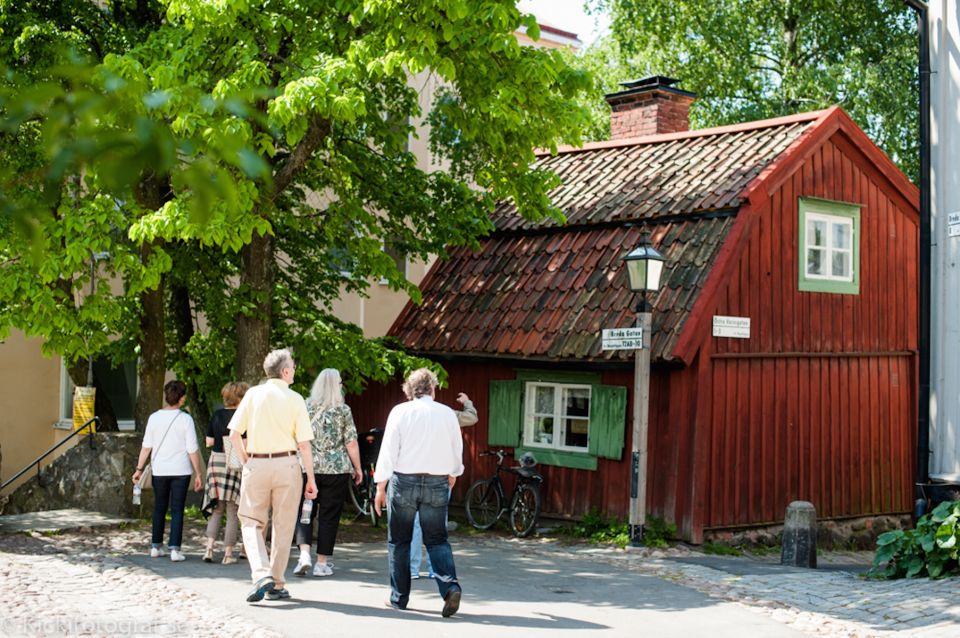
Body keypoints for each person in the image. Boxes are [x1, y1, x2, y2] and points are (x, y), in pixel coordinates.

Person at [228, 348, 318, 604]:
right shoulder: (296, 399)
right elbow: (304, 444)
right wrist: (310, 478)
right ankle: (276, 582)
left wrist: (246, 461)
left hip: (257, 463)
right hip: (288, 464)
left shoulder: (253, 395)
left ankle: (260, 573)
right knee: (284, 525)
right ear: (285, 371)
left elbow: (234, 434)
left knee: (251, 522)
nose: (295, 370)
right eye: (293, 366)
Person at [374, 368, 464, 618]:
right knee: (437, 539)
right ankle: (450, 587)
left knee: (400, 540)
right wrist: (453, 473)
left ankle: (399, 598)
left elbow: (389, 450)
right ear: (433, 388)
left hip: (404, 480)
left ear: (409, 390)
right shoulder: (446, 414)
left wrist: (380, 486)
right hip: (437, 480)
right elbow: (457, 448)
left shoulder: (400, 412)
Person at [292, 369, 363, 577]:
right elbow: (350, 442)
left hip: (308, 467)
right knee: (329, 516)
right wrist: (357, 467)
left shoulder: (305, 407)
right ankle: (321, 563)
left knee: (305, 512)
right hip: (336, 470)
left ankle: (303, 554)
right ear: (336, 386)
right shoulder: (343, 410)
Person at [131, 380, 203, 563]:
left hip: (159, 470)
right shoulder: (186, 419)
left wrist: (139, 469)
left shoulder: (154, 418)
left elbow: (146, 447)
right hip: (181, 471)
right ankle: (175, 549)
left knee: (159, 508)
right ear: (182, 398)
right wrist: (198, 473)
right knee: (177, 509)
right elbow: (192, 449)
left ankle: (156, 546)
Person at [410, 392, 477, 579]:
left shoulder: (407, 414)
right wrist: (467, 402)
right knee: (437, 525)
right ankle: (435, 569)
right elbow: (471, 418)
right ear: (432, 392)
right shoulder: (447, 414)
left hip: (413, 474)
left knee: (414, 525)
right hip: (439, 475)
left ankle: (412, 569)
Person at [201, 381, 249, 565]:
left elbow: (208, 442)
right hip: (234, 463)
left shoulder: (217, 415)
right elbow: (244, 444)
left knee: (216, 508)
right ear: (241, 398)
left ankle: (209, 549)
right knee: (232, 509)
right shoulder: (242, 417)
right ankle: (228, 554)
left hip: (216, 462)